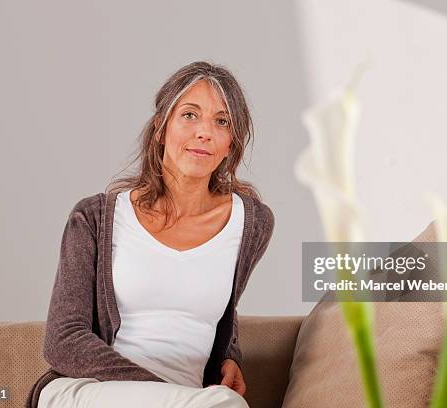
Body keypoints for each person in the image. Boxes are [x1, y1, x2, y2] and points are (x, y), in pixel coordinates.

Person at [25, 61, 275, 408]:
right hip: (88, 392)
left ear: (230, 142)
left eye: (222, 121)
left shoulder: (251, 223)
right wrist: (168, 393)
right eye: (190, 115)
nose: (204, 131)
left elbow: (217, 309)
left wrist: (229, 353)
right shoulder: (94, 217)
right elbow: (63, 341)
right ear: (161, 127)